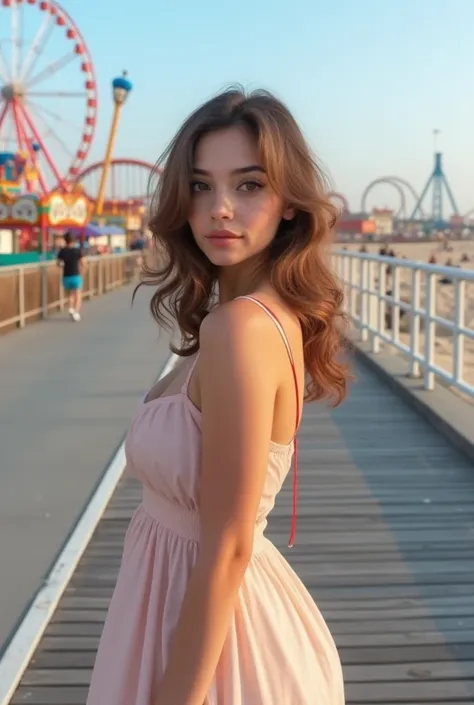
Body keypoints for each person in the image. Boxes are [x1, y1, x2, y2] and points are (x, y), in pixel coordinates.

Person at [86, 87, 349, 705]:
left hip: (215, 644)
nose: (220, 208)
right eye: (201, 186)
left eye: (249, 185)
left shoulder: (240, 329)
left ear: (289, 203)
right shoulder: (240, 318)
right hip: (182, 609)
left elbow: (228, 544)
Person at [56, 231, 85, 321]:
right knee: (78, 295)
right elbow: (83, 263)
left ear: (65, 240)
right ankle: (76, 312)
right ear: (74, 241)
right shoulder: (77, 251)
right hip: (76, 275)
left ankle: (71, 308)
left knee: (70, 294)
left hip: (66, 277)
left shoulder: (62, 251)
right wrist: (83, 272)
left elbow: (58, 263)